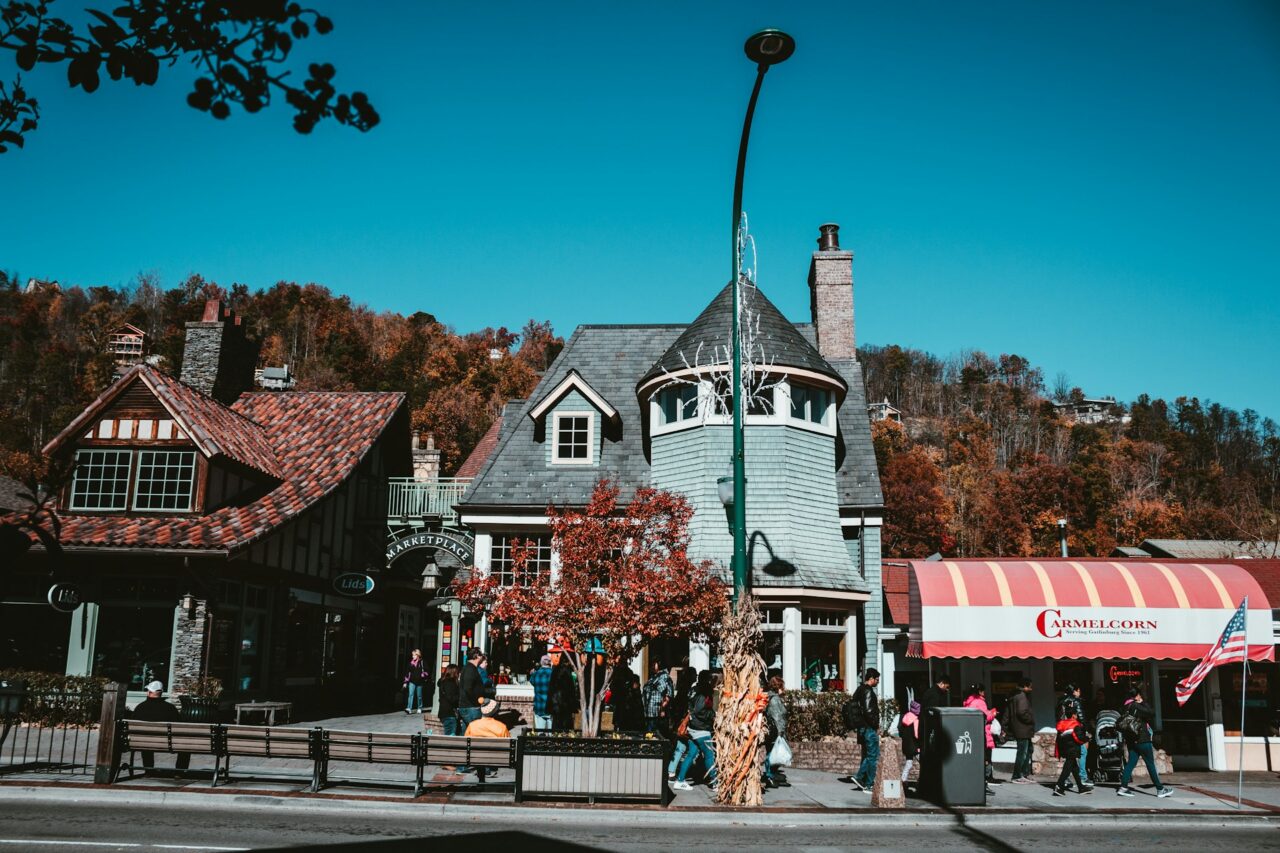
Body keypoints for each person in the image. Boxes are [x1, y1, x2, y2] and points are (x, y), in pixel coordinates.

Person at [1117, 687, 1172, 798]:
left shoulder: (1125, 706)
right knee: (1150, 764)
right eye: (1139, 695)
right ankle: (1160, 789)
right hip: (1142, 739)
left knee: (1131, 763)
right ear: (1137, 695)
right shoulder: (1136, 705)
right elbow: (1152, 713)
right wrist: (1143, 702)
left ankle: (1123, 788)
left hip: (1132, 740)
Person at [129, 681, 189, 773]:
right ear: (161, 693)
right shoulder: (170, 708)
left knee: (145, 739)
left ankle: (148, 771)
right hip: (168, 743)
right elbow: (179, 726)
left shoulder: (140, 708)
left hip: (141, 743)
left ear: (149, 692)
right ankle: (179, 772)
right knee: (186, 745)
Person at [672, 671, 717, 791]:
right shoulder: (703, 692)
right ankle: (714, 783)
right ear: (707, 680)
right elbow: (700, 710)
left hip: (692, 727)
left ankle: (680, 780)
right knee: (709, 755)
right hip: (701, 728)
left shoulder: (694, 690)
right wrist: (713, 715)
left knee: (691, 754)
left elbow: (692, 709)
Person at [839, 668, 880, 791]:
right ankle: (867, 782)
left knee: (868, 755)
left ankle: (861, 778)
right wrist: (875, 724)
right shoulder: (868, 691)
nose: (878, 682)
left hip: (861, 728)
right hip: (869, 728)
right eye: (877, 680)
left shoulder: (859, 690)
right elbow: (868, 711)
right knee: (873, 756)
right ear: (871, 679)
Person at [463, 698, 511, 782]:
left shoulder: (472, 725)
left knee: (479, 754)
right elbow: (509, 743)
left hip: (475, 757)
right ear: (494, 712)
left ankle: (481, 779)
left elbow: (465, 741)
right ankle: (490, 770)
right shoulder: (501, 727)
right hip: (496, 758)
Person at [963, 684, 998, 794]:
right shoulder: (980, 702)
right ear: (981, 692)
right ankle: (985, 783)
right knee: (986, 760)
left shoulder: (968, 702)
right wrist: (992, 713)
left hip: (973, 733)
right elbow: (985, 717)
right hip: (983, 733)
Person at [1057, 683, 1092, 790]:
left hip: (1063, 730)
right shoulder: (1075, 701)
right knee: (1081, 753)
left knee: (1070, 758)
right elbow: (1081, 717)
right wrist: (1087, 732)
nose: (1079, 693)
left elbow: (1058, 716)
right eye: (1078, 691)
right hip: (1074, 730)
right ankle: (1080, 778)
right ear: (1075, 691)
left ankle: (1077, 785)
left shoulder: (1060, 701)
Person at [1053, 705, 1092, 796]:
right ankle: (1059, 786)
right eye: (1076, 714)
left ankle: (1081, 787)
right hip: (1072, 749)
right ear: (1074, 715)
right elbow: (1078, 738)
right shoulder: (1075, 725)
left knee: (1074, 768)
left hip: (1064, 748)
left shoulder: (1062, 724)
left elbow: (1059, 738)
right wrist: (1087, 738)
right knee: (1067, 768)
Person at [763, 673, 790, 788]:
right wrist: (780, 733)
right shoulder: (774, 700)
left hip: (775, 731)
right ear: (778, 687)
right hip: (775, 732)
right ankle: (769, 776)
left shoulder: (774, 698)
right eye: (782, 687)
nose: (783, 689)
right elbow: (776, 716)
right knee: (772, 754)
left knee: (773, 754)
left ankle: (771, 775)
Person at [458, 648, 494, 731]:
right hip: (471, 707)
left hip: (469, 707)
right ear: (477, 656)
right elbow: (468, 688)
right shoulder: (470, 669)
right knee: (476, 732)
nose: (482, 657)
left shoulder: (470, 668)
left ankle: (464, 743)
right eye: (481, 655)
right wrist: (477, 701)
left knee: (467, 732)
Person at [1007, 678, 1036, 783]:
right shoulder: (1021, 696)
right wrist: (1031, 720)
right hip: (1023, 729)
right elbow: (1021, 712)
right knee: (1022, 753)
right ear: (1025, 686)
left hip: (1021, 728)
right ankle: (1017, 775)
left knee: (1027, 752)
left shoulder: (1015, 696)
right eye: (1030, 686)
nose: (1031, 689)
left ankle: (1024, 774)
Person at [642, 658, 674, 736]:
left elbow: (667, 695)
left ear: (659, 664)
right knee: (650, 736)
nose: (652, 666)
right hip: (650, 713)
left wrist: (662, 709)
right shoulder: (655, 677)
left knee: (656, 737)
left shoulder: (663, 677)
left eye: (654, 664)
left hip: (657, 714)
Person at [549, 658, 578, 731]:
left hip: (556, 703)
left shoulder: (555, 671)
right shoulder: (567, 672)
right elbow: (571, 690)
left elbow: (551, 688)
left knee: (556, 725)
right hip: (565, 703)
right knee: (566, 726)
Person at [529, 654, 554, 731]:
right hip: (551, 707)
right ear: (550, 663)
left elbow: (532, 682)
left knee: (540, 734)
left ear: (541, 663)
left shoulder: (536, 674)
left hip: (539, 707)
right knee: (552, 734)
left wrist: (532, 674)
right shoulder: (554, 674)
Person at [899, 700, 921, 784]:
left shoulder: (904, 718)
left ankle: (904, 779)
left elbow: (900, 732)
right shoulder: (915, 720)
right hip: (914, 746)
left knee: (909, 763)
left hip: (906, 745)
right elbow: (917, 735)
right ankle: (922, 778)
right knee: (922, 762)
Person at [403, 649, 431, 714]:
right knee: (410, 694)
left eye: (414, 655)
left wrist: (423, 675)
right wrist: (405, 682)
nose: (413, 656)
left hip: (420, 681)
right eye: (412, 655)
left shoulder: (422, 662)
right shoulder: (411, 663)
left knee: (419, 696)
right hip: (412, 681)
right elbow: (407, 673)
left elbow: (427, 671)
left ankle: (419, 707)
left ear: (418, 655)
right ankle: (409, 708)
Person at [435, 664, 461, 736]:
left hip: (444, 712)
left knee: (449, 734)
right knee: (450, 736)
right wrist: (460, 697)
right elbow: (451, 698)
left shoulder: (443, 681)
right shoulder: (450, 683)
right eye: (457, 672)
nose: (458, 674)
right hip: (449, 713)